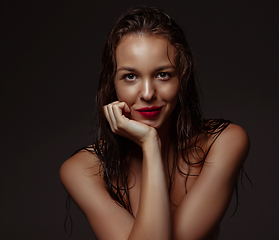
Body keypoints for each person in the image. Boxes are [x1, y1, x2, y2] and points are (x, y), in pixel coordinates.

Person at [60, 5, 249, 240]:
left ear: (182, 78)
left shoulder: (223, 141)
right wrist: (151, 144)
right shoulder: (83, 169)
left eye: (163, 75)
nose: (148, 93)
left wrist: (150, 144)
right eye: (130, 76)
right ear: (113, 84)